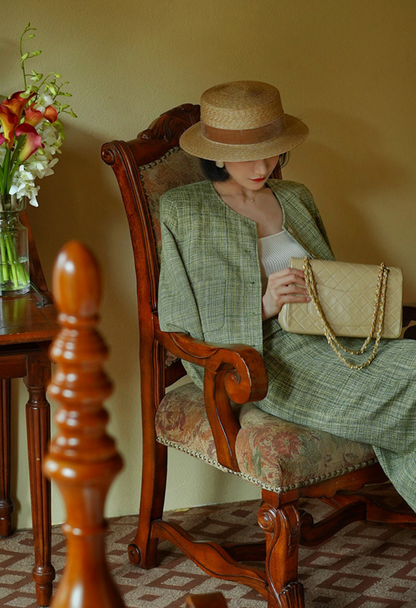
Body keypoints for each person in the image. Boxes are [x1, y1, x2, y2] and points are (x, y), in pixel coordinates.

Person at [158, 80, 416, 512]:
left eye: (272, 150)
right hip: (263, 360)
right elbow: (178, 317)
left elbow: (328, 276)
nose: (264, 165)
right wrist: (265, 304)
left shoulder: (295, 197)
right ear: (217, 155)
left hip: (333, 341)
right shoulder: (184, 210)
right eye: (248, 155)